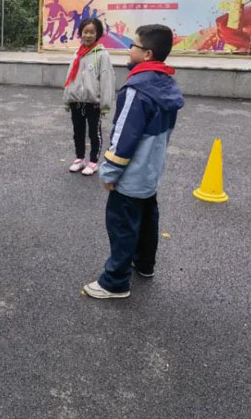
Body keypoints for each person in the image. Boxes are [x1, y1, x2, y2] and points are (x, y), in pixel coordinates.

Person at [82, 24, 184, 299]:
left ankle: (115, 282)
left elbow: (123, 135)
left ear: (147, 53)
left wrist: (109, 172)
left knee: (122, 226)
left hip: (130, 176)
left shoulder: (137, 89)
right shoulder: (166, 84)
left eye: (134, 46)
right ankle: (145, 264)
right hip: (150, 173)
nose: (129, 50)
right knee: (148, 218)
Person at [63, 18, 116, 176]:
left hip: (93, 103)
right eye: (85, 32)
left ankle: (93, 162)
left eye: (92, 32)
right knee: (78, 132)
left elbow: (107, 80)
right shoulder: (77, 54)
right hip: (76, 101)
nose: (88, 35)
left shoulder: (102, 55)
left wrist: (105, 104)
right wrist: (67, 99)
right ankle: (79, 158)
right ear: (80, 33)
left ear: (97, 34)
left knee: (94, 133)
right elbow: (70, 77)